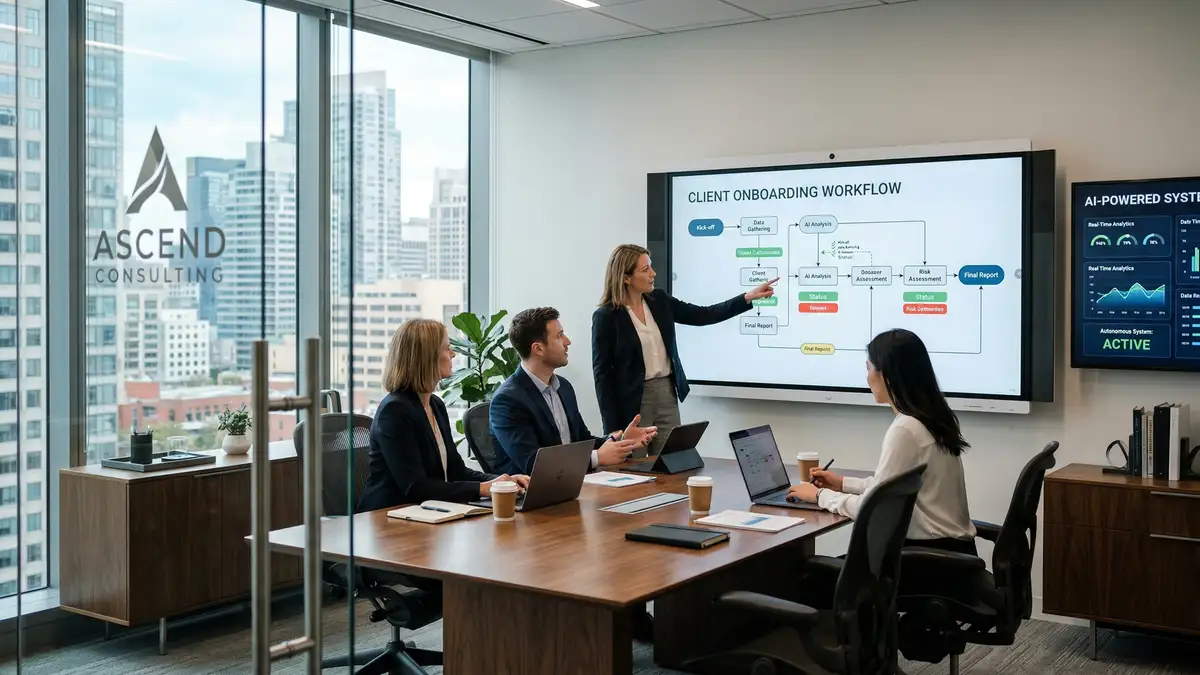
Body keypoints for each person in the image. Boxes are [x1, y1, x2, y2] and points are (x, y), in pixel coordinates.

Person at [787, 328, 977, 555]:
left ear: (886, 374)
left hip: (926, 560)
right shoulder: (930, 418)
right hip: (949, 554)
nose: (867, 377)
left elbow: (875, 507)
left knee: (809, 575)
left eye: (868, 368)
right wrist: (842, 483)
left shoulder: (906, 429)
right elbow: (889, 489)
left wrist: (819, 496)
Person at [592, 244, 777, 455]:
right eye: (645, 270)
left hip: (667, 394)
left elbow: (704, 314)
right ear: (626, 278)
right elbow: (602, 376)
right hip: (632, 402)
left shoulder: (659, 300)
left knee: (671, 459)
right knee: (634, 465)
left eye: (651, 267)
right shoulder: (606, 317)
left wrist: (747, 297)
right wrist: (612, 431)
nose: (653, 273)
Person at [358, 318, 529, 513]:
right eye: (447, 348)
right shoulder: (394, 411)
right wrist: (482, 489)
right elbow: (415, 487)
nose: (453, 354)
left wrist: (500, 482)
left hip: (425, 513)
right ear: (427, 358)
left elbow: (456, 471)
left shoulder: (435, 405)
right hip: (388, 517)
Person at [490, 306, 657, 476]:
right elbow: (533, 463)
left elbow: (582, 441)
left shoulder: (563, 387)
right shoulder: (508, 400)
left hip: (570, 485)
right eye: (559, 336)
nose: (567, 341)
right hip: (531, 495)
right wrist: (597, 458)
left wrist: (620, 441)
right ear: (538, 349)